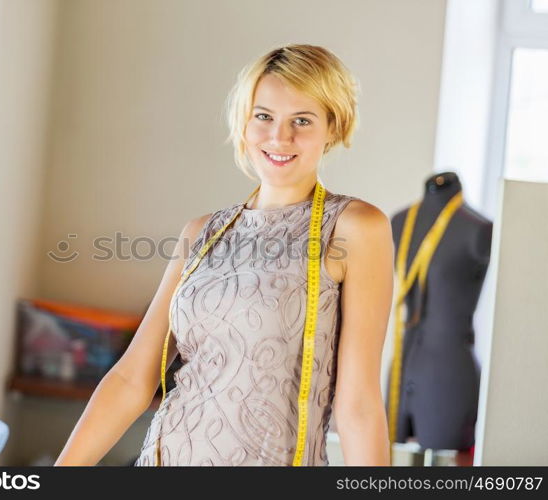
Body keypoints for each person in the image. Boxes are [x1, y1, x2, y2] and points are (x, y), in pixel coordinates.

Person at [55, 44, 393, 466]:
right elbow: (131, 378)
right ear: (244, 123)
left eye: (301, 121)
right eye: (264, 116)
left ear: (333, 126)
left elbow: (358, 405)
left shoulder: (355, 227)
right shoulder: (202, 232)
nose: (279, 137)